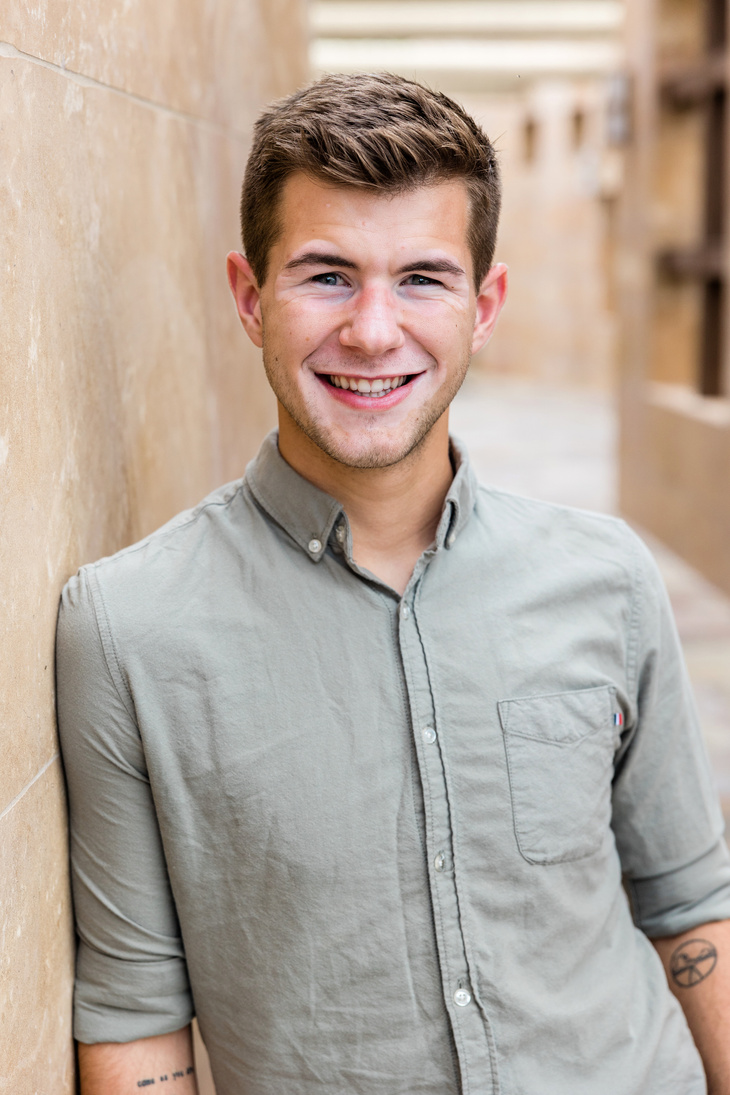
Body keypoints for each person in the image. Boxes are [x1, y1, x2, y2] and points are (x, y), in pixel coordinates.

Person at [56, 72, 730, 1095]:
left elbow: (694, 905)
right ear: (249, 297)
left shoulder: (606, 577)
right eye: (327, 275)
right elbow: (135, 1016)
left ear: (483, 305)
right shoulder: (125, 630)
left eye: (422, 278)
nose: (374, 331)